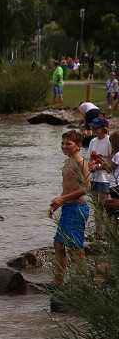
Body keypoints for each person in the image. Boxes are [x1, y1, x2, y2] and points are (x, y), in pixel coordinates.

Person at [49, 129, 91, 288]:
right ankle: (57, 282)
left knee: (75, 247)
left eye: (68, 144)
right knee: (58, 244)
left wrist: (63, 199)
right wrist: (58, 202)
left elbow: (86, 187)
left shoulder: (81, 163)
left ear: (79, 146)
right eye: (62, 143)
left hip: (78, 208)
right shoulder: (67, 162)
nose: (64, 146)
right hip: (67, 206)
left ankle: (82, 283)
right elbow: (67, 187)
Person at [86, 117, 113, 238]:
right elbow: (90, 158)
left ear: (104, 128)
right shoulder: (93, 141)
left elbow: (112, 159)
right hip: (94, 178)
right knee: (96, 207)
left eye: (96, 128)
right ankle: (98, 233)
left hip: (105, 178)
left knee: (105, 206)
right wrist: (91, 165)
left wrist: (99, 166)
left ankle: (107, 233)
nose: (93, 129)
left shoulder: (109, 141)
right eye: (92, 127)